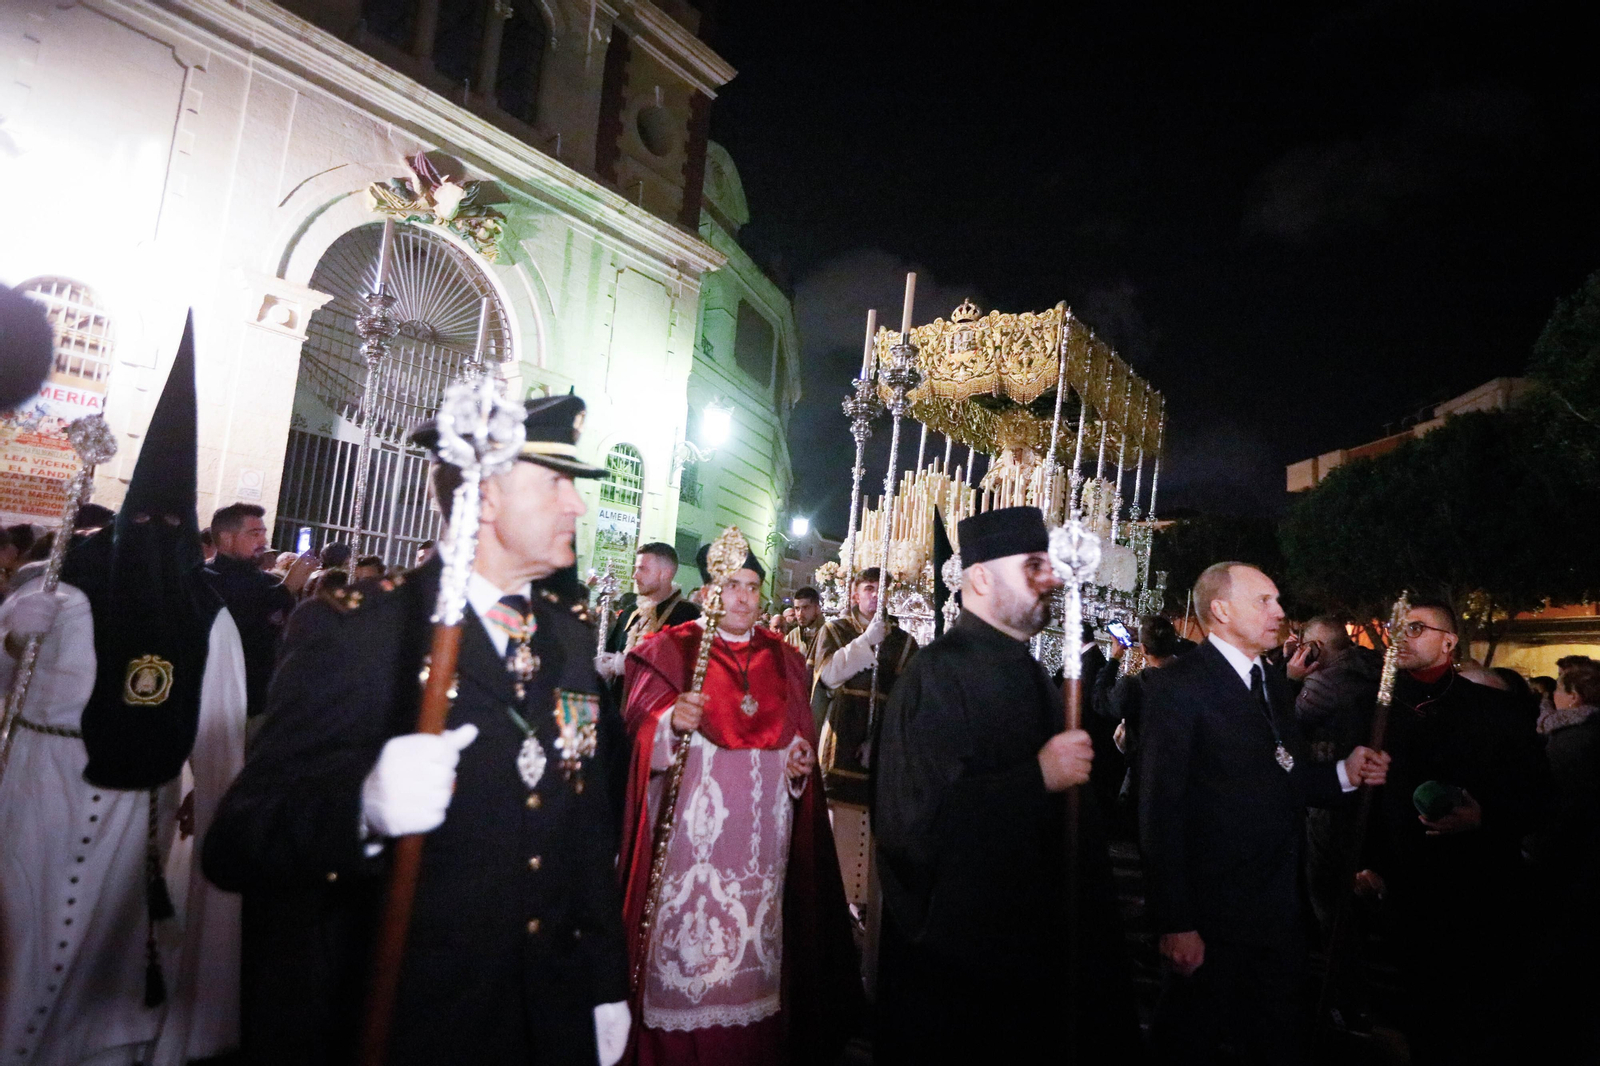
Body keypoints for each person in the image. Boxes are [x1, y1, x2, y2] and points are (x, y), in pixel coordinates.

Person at [203, 394, 632, 1066]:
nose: (576, 504)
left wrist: (606, 984)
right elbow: (239, 839)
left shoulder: (568, 639)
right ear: (485, 498)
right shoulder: (365, 630)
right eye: (556, 482)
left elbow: (585, 830)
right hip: (420, 1023)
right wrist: (363, 808)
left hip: (546, 1016)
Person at [1, 315, 248, 1065]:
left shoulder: (207, 615)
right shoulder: (56, 583)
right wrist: (11, 631)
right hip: (36, 793)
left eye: (173, 523)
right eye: (145, 517)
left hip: (131, 812)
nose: (156, 532)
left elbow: (223, 733)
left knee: (100, 959)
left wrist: (212, 793)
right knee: (23, 939)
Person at [873, 506, 1140, 1062]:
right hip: (966, 977)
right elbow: (912, 826)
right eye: (1034, 567)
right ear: (981, 577)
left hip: (1032, 955)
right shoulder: (937, 675)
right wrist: (1037, 776)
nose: (1050, 580)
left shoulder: (1030, 672)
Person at [617, 537, 861, 1065]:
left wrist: (798, 771)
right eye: (733, 586)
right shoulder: (671, 649)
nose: (745, 598)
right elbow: (637, 733)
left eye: (753, 587)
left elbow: (796, 748)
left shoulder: (785, 659)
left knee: (756, 969)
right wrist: (667, 723)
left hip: (758, 857)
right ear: (710, 591)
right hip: (692, 850)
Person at [1140, 562, 1389, 1064]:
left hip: (1278, 905)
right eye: (1265, 601)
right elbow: (1159, 810)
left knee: (1276, 1036)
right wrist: (1176, 921)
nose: (1280, 611)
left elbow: (1284, 774)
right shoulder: (1177, 687)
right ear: (1221, 609)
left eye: (1278, 600)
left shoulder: (1273, 682)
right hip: (1211, 912)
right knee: (1189, 1036)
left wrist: (1344, 772)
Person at [1358, 600, 1550, 1065]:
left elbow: (1539, 797)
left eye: (1417, 628)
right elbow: (1357, 798)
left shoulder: (1498, 710)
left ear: (1449, 640)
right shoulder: (1371, 708)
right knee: (1421, 1009)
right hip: (1405, 888)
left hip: (1481, 885)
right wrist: (1366, 863)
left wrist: (1485, 817)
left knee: (1483, 1010)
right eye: (1395, 628)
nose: (1400, 636)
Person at [1525, 659, 1600, 1060]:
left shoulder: (1569, 742)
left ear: (1573, 696)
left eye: (1558, 688)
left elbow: (1554, 808)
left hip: (1566, 865)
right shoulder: (1583, 735)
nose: (1552, 695)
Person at [1288, 614, 1381, 935]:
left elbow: (1284, 722)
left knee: (1324, 884)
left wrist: (1291, 677)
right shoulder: (1370, 670)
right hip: (1361, 785)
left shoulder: (1326, 682)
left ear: (1315, 647)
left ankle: (1335, 955)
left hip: (1328, 790)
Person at [810, 567, 917, 803]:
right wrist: (866, 641)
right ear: (854, 595)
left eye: (882, 590)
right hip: (839, 740)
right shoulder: (835, 630)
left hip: (881, 745)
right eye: (869, 589)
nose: (876, 595)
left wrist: (879, 740)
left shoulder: (903, 642)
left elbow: (905, 703)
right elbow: (828, 676)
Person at [205, 502, 297, 719]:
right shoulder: (203, 579)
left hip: (261, 703)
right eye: (254, 533)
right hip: (216, 704)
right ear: (227, 538)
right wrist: (285, 591)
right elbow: (239, 624)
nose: (263, 541)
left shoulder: (269, 582)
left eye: (263, 533)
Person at [1108, 613, 1186, 817]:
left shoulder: (1135, 685)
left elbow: (1102, 702)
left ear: (1143, 649)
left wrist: (1114, 658)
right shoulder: (1191, 680)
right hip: (1181, 776)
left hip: (1141, 775)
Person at [595, 542, 700, 690]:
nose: (634, 576)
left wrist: (629, 666)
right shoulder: (630, 612)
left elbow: (685, 669)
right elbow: (611, 651)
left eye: (642, 569)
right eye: (635, 569)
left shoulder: (688, 615)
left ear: (666, 573)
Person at [784, 586, 823, 671]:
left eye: (806, 608)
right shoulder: (792, 636)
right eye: (797, 609)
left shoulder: (828, 633)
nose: (800, 614)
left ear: (817, 609)